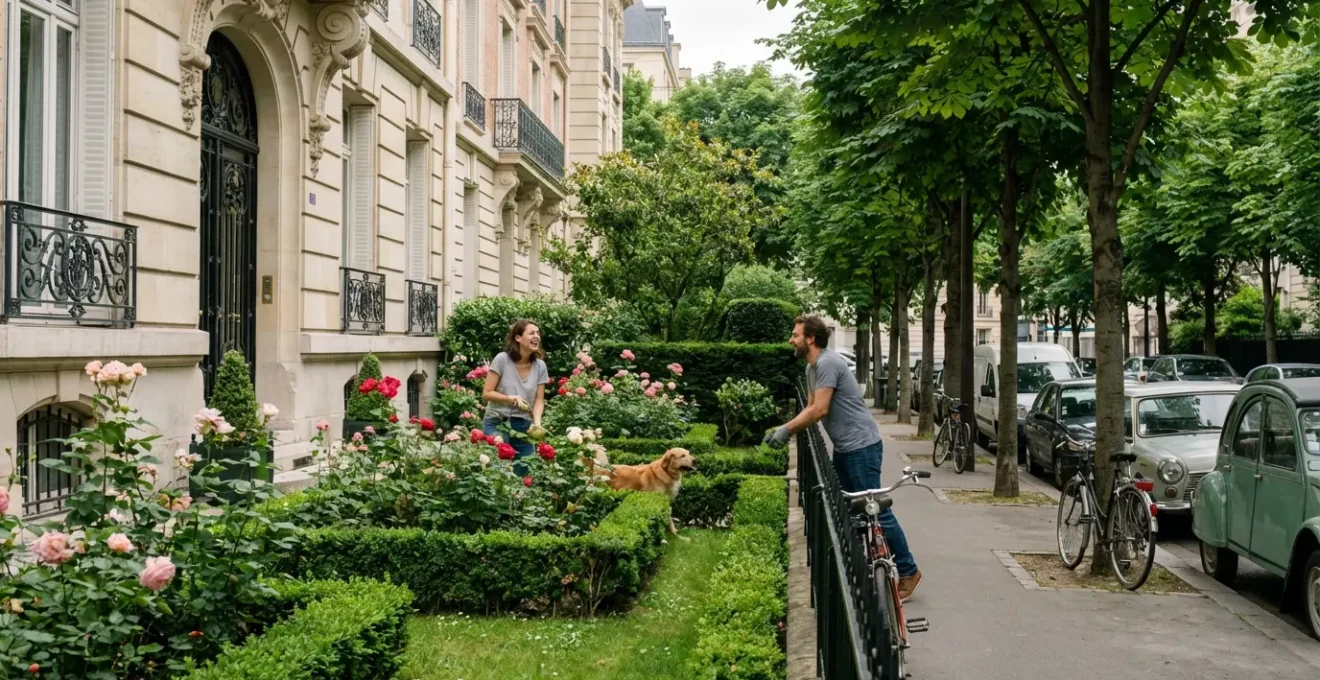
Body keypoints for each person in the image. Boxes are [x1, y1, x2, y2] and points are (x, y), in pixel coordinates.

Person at [765, 314, 923, 600]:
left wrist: (786, 430)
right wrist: (786, 429)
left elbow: (819, 410)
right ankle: (863, 568)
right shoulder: (812, 369)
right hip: (846, 447)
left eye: (796, 335)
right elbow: (811, 408)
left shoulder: (827, 363)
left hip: (861, 447)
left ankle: (909, 571)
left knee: (877, 510)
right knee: (849, 508)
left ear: (810, 338)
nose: (791, 340)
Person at [481, 319, 549, 465]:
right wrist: (511, 399)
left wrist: (537, 424)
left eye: (538, 333)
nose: (536, 336)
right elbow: (487, 393)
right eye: (531, 333)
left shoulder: (540, 366)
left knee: (525, 472)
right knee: (498, 471)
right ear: (518, 338)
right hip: (497, 422)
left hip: (524, 425)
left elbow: (539, 400)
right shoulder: (502, 360)